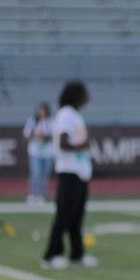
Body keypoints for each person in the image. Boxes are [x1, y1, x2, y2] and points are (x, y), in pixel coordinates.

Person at [41, 81, 95, 269]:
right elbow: (63, 143)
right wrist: (83, 145)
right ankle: (51, 255)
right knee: (64, 215)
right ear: (75, 95)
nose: (87, 98)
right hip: (69, 171)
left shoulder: (75, 115)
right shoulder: (66, 115)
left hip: (79, 172)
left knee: (77, 216)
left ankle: (77, 253)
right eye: (83, 94)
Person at [22, 102, 54, 204]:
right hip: (35, 152)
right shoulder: (32, 121)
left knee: (44, 175)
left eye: (42, 110)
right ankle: (33, 194)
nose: (40, 112)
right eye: (39, 110)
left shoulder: (51, 121)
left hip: (48, 152)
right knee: (35, 173)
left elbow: (54, 135)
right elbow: (26, 134)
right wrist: (36, 136)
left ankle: (41, 195)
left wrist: (45, 137)